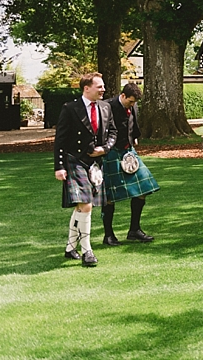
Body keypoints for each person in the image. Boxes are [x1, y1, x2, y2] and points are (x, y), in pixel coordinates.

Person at [54, 72, 118, 267]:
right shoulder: (70, 108)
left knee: (81, 206)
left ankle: (70, 247)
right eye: (99, 86)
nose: (103, 89)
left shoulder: (105, 107)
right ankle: (87, 250)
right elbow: (61, 139)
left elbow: (113, 132)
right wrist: (59, 166)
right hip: (75, 160)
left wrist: (105, 148)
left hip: (94, 163)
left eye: (103, 86)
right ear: (86, 88)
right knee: (86, 204)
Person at [100, 83, 159, 246]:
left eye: (134, 102)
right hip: (111, 152)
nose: (132, 105)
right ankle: (109, 235)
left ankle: (134, 230)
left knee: (143, 189)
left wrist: (133, 136)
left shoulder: (133, 105)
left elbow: (133, 123)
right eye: (130, 101)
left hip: (128, 150)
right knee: (109, 195)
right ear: (123, 96)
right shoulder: (108, 107)